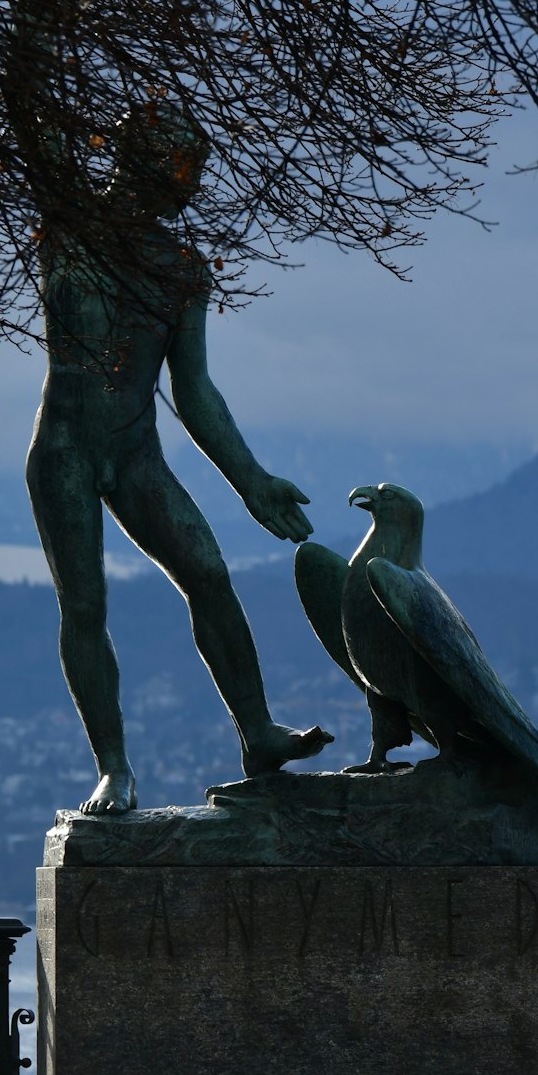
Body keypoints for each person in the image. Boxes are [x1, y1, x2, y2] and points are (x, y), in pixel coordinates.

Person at [26, 106, 332, 814]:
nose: (190, 187)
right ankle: (114, 768)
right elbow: (31, 99)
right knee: (85, 605)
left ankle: (257, 733)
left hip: (135, 452)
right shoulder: (70, 223)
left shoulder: (181, 271)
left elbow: (194, 392)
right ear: (143, 162)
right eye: (181, 170)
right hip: (66, 449)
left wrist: (251, 481)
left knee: (209, 573)